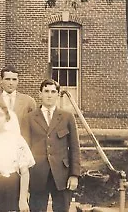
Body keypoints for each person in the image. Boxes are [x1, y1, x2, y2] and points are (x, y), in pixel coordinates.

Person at [21, 79, 80, 212]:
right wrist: (25, 178)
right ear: (40, 94)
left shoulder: (67, 117)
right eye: (46, 91)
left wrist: (74, 175)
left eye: (53, 92)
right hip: (37, 175)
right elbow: (24, 150)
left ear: (58, 95)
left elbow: (75, 148)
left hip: (62, 174)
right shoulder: (29, 118)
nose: (49, 95)